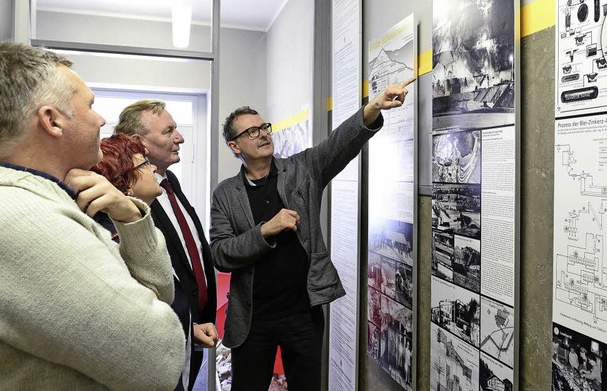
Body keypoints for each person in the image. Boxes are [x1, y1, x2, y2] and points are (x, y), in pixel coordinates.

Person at [0, 41, 185, 389]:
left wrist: (131, 217)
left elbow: (159, 292)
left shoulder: (51, 203)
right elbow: (158, 359)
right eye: (89, 105)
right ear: (52, 120)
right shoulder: (25, 222)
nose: (101, 119)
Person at [210, 77, 415, 390]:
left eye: (263, 126)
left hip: (302, 314)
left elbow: (339, 143)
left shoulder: (302, 169)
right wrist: (266, 230)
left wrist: (374, 106)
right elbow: (221, 254)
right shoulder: (226, 194)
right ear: (235, 146)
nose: (262, 133)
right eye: (251, 131)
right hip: (252, 320)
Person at [91, 133, 218, 390]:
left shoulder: (142, 226)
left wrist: (187, 328)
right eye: (143, 165)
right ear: (125, 185)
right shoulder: (112, 237)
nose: (152, 169)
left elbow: (157, 300)